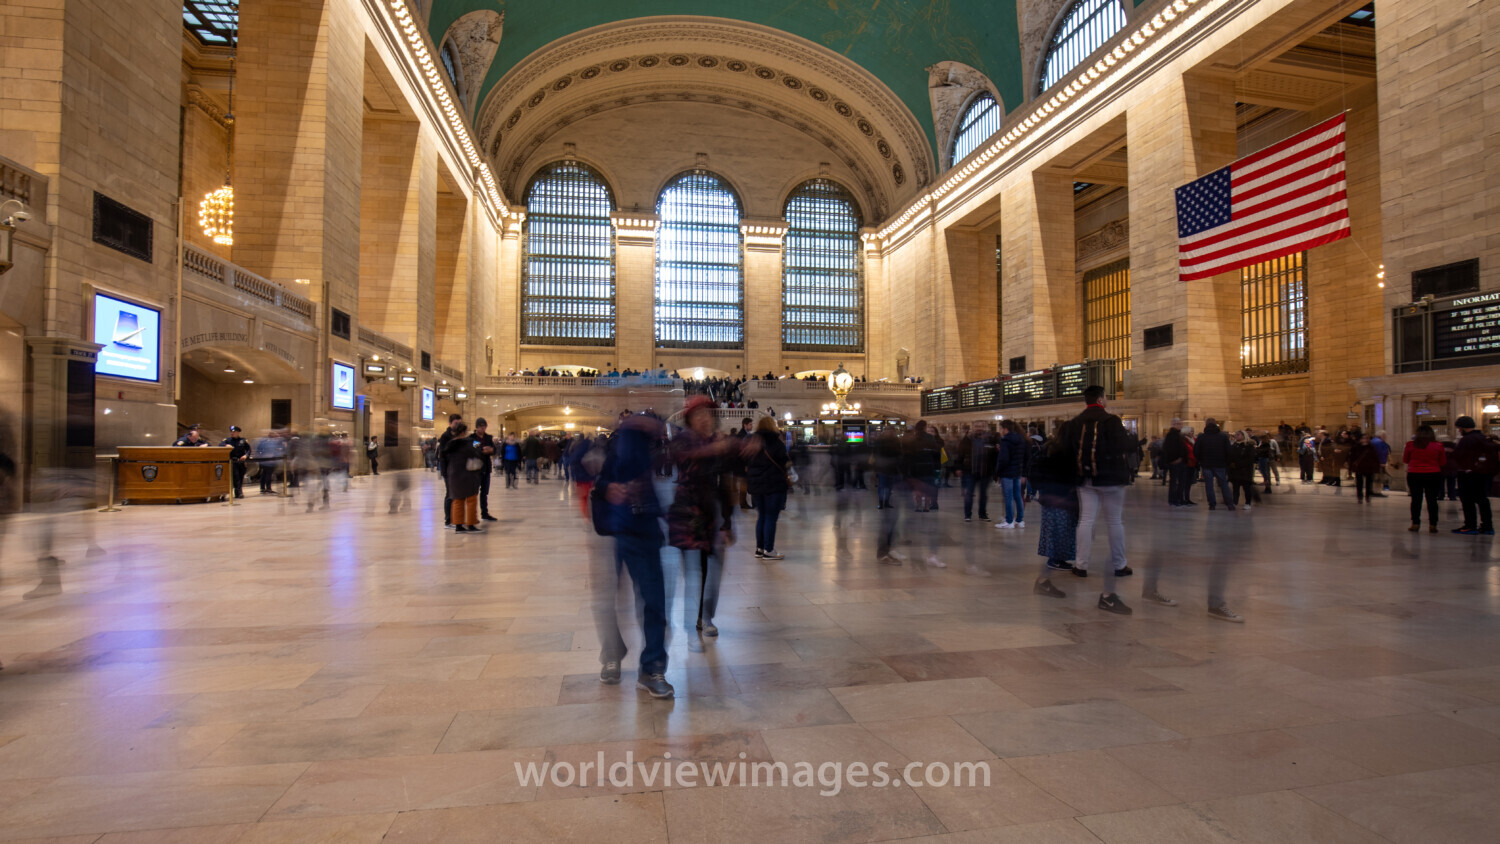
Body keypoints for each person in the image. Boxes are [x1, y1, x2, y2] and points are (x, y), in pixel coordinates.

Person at [596, 413, 674, 698]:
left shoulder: (657, 446)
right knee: (608, 601)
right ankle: (613, 655)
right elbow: (596, 478)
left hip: (644, 530)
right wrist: (608, 489)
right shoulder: (618, 442)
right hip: (615, 531)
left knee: (653, 600)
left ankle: (652, 667)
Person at [1059, 385, 1136, 614]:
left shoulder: (1074, 423)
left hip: (1084, 479)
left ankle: (1081, 565)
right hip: (1111, 478)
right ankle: (1119, 564)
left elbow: (1067, 452)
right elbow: (1125, 445)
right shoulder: (1111, 421)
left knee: (1086, 519)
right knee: (1114, 521)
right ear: (1102, 399)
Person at [667, 396, 735, 637]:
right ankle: (698, 617)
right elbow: (683, 457)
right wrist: (714, 449)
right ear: (689, 419)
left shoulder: (719, 445)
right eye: (699, 414)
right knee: (698, 570)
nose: (705, 419)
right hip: (689, 517)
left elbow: (725, 484)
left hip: (713, 517)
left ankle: (706, 615)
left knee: (713, 571)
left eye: (709, 414)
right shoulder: (682, 441)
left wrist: (727, 522)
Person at [1031, 435, 1079, 597]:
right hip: (1061, 499)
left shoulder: (1048, 449)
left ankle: (1047, 575)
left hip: (1049, 497)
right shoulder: (1067, 453)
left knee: (1055, 535)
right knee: (1059, 536)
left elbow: (1035, 470)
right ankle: (1044, 579)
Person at [742, 416, 791, 560]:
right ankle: (769, 550)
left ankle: (759, 548)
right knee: (770, 517)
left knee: (761, 516)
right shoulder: (776, 442)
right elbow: (784, 461)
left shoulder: (752, 441)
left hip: (757, 485)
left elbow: (745, 461)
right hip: (774, 484)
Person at [903, 420, 946, 568]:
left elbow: (908, 460)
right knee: (930, 521)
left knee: (917, 513)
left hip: (918, 475)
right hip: (925, 474)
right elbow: (936, 458)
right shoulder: (929, 441)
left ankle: (921, 507)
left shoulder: (915, 441)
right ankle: (931, 555)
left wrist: (909, 476)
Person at [1451, 416, 1497, 535]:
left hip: (1468, 474)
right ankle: (1487, 526)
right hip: (1483, 474)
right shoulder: (1484, 438)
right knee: (1482, 500)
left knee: (1467, 500)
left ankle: (1470, 525)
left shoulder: (1467, 440)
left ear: (1462, 427)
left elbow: (1459, 456)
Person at [1401, 424, 1446, 532]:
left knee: (1416, 500)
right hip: (1433, 474)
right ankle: (1433, 524)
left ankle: (1415, 523)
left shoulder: (1410, 445)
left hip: (1414, 474)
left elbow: (1405, 460)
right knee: (1432, 500)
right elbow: (1443, 462)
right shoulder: (1438, 445)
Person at [442, 423, 482, 532]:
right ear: (464, 432)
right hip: (467, 474)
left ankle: (458, 525)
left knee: (457, 500)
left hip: (454, 474)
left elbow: (443, 456)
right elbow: (479, 450)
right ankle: (471, 524)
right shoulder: (470, 442)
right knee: (471, 499)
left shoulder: (450, 444)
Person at [956, 421, 993, 522]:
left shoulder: (990, 440)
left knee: (983, 494)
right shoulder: (967, 440)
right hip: (970, 471)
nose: (979, 428)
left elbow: (994, 455)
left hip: (985, 471)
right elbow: (960, 454)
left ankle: (982, 514)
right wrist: (958, 467)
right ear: (973, 427)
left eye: (981, 426)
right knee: (969, 494)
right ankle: (967, 515)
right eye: (977, 426)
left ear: (984, 428)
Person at [994, 420, 1028, 529]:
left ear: (1005, 428)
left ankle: (1009, 521)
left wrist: (998, 472)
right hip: (1017, 471)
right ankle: (1019, 520)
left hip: (1007, 472)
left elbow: (1004, 459)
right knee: (1017, 495)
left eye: (1001, 428)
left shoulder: (1006, 440)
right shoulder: (1021, 439)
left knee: (1008, 497)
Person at [1193, 421, 1234, 511]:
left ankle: (1212, 504)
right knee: (1223, 484)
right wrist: (1226, 462)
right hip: (1220, 464)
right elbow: (1229, 451)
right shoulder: (1223, 437)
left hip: (1206, 464)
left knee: (1209, 485)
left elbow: (1196, 451)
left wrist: (1201, 460)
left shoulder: (1202, 437)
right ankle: (1230, 504)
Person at [436, 414, 464, 526]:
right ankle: (448, 520)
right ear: (450, 423)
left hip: (460, 470)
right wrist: (445, 472)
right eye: (456, 423)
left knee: (458, 494)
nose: (458, 425)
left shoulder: (461, 435)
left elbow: (473, 444)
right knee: (450, 494)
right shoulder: (445, 436)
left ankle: (456, 519)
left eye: (459, 423)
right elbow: (443, 455)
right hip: (449, 470)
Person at [1228, 430, 1260, 511]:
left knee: (1246, 488)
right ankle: (1235, 502)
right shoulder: (1234, 445)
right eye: (1236, 434)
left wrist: (1238, 464)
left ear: (1243, 436)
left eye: (1238, 435)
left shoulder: (1249, 446)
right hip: (1235, 471)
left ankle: (1247, 503)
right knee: (1235, 488)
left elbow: (1250, 459)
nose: (1236, 436)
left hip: (1245, 470)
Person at [1161, 424, 1193, 506]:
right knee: (1174, 482)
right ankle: (1174, 500)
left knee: (1182, 482)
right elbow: (1171, 449)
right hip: (1176, 462)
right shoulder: (1173, 437)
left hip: (1184, 462)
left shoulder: (1182, 438)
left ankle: (1181, 498)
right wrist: (1176, 459)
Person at [473, 418, 498, 521]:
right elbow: (475, 450)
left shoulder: (488, 437)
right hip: (475, 469)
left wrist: (491, 450)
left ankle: (485, 513)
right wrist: (484, 450)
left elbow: (494, 449)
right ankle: (472, 515)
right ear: (477, 427)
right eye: (481, 426)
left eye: (484, 427)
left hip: (486, 468)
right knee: (473, 492)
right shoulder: (472, 438)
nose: (483, 429)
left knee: (484, 492)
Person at [1349, 433, 1382, 503]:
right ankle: (1360, 496)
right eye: (1363, 438)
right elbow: (1352, 458)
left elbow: (1375, 458)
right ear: (1360, 439)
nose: (1364, 440)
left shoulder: (1371, 448)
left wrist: (1376, 468)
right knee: (1359, 483)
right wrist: (1351, 468)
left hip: (1369, 468)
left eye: (1366, 438)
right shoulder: (1356, 447)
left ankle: (1368, 496)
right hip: (1359, 468)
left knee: (1369, 483)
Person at [221, 426, 250, 498]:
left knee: (240, 476)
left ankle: (238, 492)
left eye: (234, 432)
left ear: (238, 432)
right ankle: (238, 492)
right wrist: (225, 445)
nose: (232, 433)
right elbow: (220, 445)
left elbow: (248, 449)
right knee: (236, 476)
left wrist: (246, 456)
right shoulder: (227, 440)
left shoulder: (243, 440)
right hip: (232, 462)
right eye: (231, 432)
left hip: (241, 461)